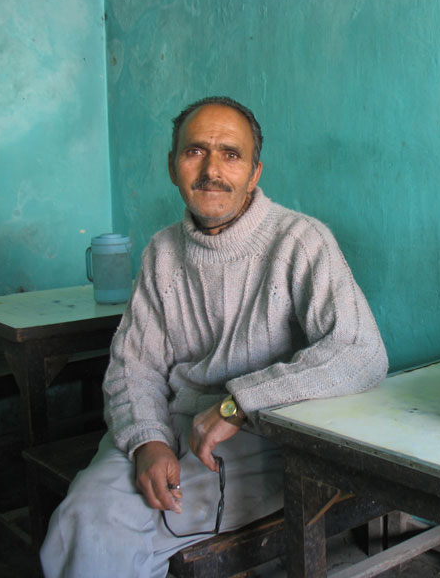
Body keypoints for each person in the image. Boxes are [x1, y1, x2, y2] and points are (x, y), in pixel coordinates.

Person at [40, 96, 389, 577]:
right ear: (172, 166)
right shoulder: (162, 252)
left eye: (231, 154)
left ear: (255, 172)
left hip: (264, 437)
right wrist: (147, 441)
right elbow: (133, 367)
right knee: (81, 518)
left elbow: (360, 352)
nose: (211, 170)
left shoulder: (299, 241)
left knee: (126, 528)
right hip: (170, 429)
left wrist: (238, 404)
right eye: (195, 152)